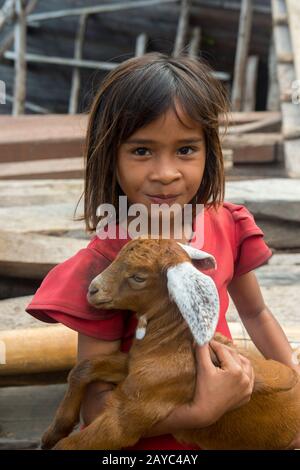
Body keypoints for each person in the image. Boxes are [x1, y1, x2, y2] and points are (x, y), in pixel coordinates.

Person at [26, 52, 300, 450]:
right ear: (110, 156)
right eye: (141, 151)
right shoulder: (106, 264)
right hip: (152, 444)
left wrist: (292, 377)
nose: (165, 173)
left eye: (186, 150)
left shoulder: (226, 224)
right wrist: (198, 413)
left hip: (235, 426)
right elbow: (98, 412)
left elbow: (255, 313)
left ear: (209, 151)